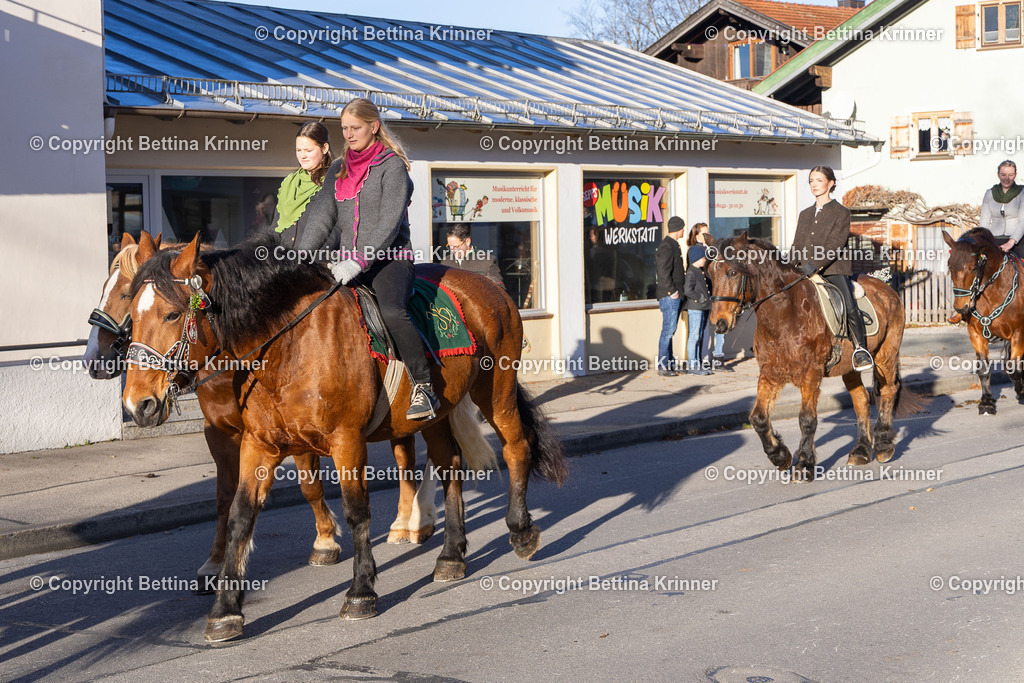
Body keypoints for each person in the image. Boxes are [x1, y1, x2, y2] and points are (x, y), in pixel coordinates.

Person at [297, 98, 439, 420]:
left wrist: (358, 261)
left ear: (373, 127)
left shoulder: (392, 167)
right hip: (345, 264)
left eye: (355, 127)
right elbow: (321, 217)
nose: (348, 134)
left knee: (391, 311)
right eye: (344, 128)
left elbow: (389, 223)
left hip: (389, 260)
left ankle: (424, 386)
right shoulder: (337, 168)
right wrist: (301, 257)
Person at [792, 165, 873, 372]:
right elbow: (797, 245)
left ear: (830, 183)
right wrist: (788, 266)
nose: (814, 184)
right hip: (803, 269)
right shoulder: (804, 214)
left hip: (833, 269)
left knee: (847, 303)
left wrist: (815, 266)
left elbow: (835, 244)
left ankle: (860, 349)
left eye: (819, 180)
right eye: (811, 181)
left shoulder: (841, 212)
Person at [269, 121, 332, 248]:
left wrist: (307, 255)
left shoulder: (334, 183)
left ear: (324, 148)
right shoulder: (289, 184)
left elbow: (337, 230)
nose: (302, 156)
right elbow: (275, 229)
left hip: (316, 258)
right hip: (284, 257)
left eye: (308, 150)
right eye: (298, 150)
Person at [687, 222, 726, 359]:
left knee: (717, 326)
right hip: (702, 296)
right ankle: (696, 360)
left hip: (712, 294)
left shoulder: (711, 249)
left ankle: (717, 356)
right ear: (697, 235)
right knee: (697, 332)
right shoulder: (695, 250)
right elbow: (695, 275)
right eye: (704, 233)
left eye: (708, 232)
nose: (708, 235)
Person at [655, 216, 688, 376]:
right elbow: (663, 271)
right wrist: (672, 291)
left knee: (670, 331)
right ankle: (663, 366)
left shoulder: (672, 244)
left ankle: (669, 364)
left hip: (674, 295)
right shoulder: (667, 246)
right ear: (678, 228)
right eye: (683, 228)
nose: (684, 231)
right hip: (670, 296)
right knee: (668, 331)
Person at [979, 160, 1024, 257]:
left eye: (1011, 175)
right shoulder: (989, 193)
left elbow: (1022, 221)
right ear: (998, 175)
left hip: (1018, 240)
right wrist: (986, 240)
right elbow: (984, 220)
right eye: (1003, 175)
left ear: (1015, 175)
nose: (1007, 179)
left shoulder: (1022, 192)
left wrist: (1011, 242)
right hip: (994, 239)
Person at [439, 223, 504, 287]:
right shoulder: (445, 262)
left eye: (456, 247)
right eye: (450, 246)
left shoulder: (488, 261)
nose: (452, 250)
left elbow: (499, 288)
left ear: (467, 242)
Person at [684, 244, 712, 376]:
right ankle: (692, 364)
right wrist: (700, 298)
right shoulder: (691, 272)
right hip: (695, 308)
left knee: (698, 335)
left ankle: (697, 362)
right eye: (703, 258)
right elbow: (688, 290)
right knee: (694, 336)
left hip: (702, 307)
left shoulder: (699, 271)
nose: (705, 260)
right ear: (696, 258)